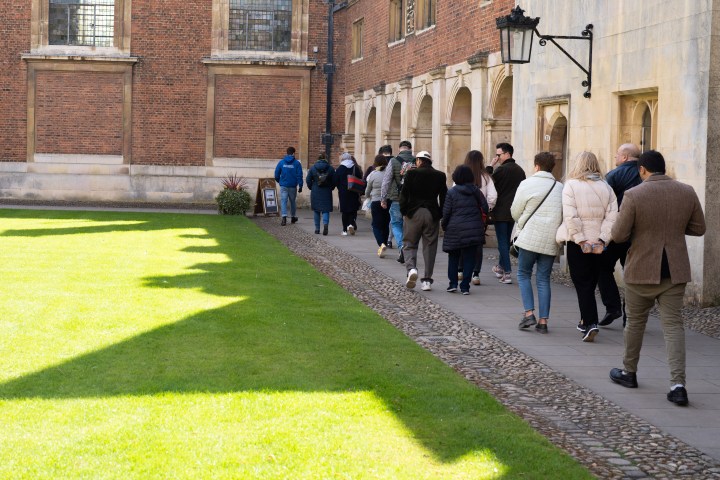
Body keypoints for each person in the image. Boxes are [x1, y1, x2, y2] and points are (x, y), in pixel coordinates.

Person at [609, 150, 705, 406]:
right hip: (674, 269)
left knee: (635, 324)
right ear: (664, 168)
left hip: (641, 267)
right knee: (673, 327)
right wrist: (672, 229)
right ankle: (678, 385)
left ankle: (629, 372)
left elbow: (618, 235)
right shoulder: (686, 191)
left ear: (642, 170)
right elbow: (699, 228)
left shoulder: (634, 194)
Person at [556, 151, 618, 342]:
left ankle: (590, 322)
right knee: (591, 282)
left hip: (579, 243)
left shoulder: (571, 186)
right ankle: (585, 320)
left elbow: (570, 216)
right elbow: (613, 216)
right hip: (599, 243)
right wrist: (603, 239)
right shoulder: (606, 187)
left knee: (583, 284)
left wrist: (580, 239)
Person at [510, 152, 563, 334]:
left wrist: (524, 219)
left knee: (523, 274)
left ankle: (528, 313)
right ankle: (543, 321)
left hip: (529, 238)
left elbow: (515, 212)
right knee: (543, 279)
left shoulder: (527, 184)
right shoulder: (560, 187)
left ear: (536, 166)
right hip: (550, 240)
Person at [597, 143, 643, 327]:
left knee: (602, 267)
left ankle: (613, 306)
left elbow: (604, 202)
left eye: (617, 154)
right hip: (639, 233)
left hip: (617, 231)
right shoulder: (644, 174)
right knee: (631, 274)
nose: (615, 157)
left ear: (624, 157)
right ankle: (629, 315)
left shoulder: (614, 175)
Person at [399, 151, 447, 291]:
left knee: (409, 244)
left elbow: (404, 195)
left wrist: (404, 211)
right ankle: (426, 280)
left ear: (419, 161)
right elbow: (444, 197)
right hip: (431, 213)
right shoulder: (440, 175)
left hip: (413, 213)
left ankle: (411, 269)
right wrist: (441, 214)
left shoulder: (411, 174)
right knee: (430, 247)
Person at [441, 165, 488, 295]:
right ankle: (465, 286)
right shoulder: (476, 191)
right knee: (469, 258)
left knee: (453, 257)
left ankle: (453, 284)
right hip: (473, 228)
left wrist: (444, 226)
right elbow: (485, 208)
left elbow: (446, 213)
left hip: (455, 228)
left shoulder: (451, 192)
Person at [486, 142, 526, 284]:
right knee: (506, 240)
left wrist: (490, 166)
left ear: (507, 154)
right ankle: (501, 267)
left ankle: (507, 272)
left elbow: (487, 183)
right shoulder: (520, 170)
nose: (497, 157)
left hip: (501, 211)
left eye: (499, 155)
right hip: (515, 211)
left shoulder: (501, 170)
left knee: (502, 242)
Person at [463, 150, 497, 285]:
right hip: (479, 215)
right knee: (477, 244)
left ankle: (461, 270)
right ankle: (476, 274)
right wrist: (486, 208)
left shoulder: (462, 175)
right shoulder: (485, 177)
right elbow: (493, 196)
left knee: (462, 242)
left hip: (463, 213)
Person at [381, 140, 415, 263]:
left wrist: (383, 198)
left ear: (399, 149)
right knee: (410, 226)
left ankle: (401, 247)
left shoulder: (393, 161)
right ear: (410, 149)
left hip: (397, 198)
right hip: (413, 200)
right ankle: (408, 249)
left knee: (396, 223)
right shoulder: (417, 161)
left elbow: (386, 181)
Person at [365, 154, 391, 257]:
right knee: (385, 223)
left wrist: (367, 196)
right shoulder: (389, 174)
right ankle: (384, 242)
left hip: (376, 201)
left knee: (376, 225)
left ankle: (381, 243)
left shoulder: (373, 174)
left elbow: (368, 189)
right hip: (388, 201)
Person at [306, 152, 335, 235]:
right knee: (326, 210)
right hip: (326, 191)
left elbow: (308, 180)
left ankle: (317, 229)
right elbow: (334, 180)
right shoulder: (330, 168)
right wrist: (331, 187)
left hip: (316, 190)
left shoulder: (313, 168)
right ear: (326, 158)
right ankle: (325, 224)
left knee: (316, 210)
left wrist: (312, 187)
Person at [274, 146, 303, 226]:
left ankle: (284, 218)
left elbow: (276, 173)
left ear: (287, 153)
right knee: (292, 201)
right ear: (293, 153)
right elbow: (299, 175)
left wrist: (279, 181)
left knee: (283, 201)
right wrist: (300, 185)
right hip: (293, 186)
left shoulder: (281, 162)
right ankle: (293, 217)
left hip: (284, 185)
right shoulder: (297, 163)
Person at [335, 152, 363, 235]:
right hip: (353, 191)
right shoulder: (355, 167)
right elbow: (360, 177)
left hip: (343, 192)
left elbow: (336, 180)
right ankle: (351, 224)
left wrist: (339, 187)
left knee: (344, 211)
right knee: (352, 209)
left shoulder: (340, 168)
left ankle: (344, 230)